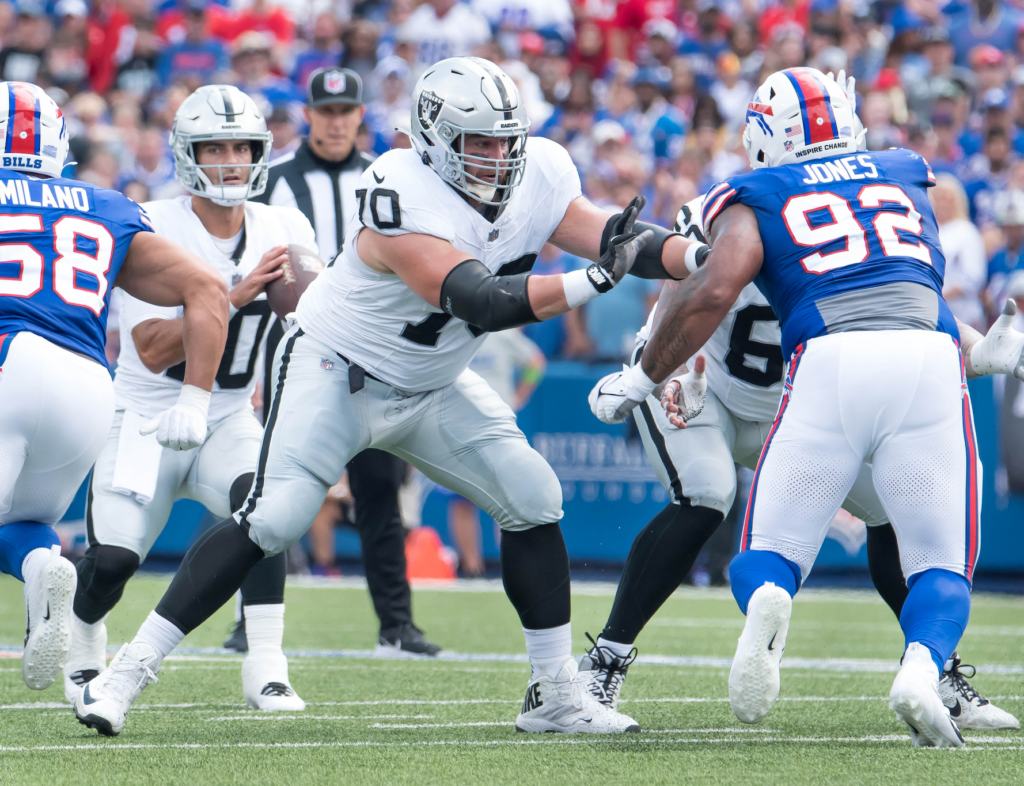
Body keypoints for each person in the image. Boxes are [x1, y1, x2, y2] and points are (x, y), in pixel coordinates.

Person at [71, 56, 708, 737]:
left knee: (534, 496)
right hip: (336, 369)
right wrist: (590, 282)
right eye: (479, 143)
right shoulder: (399, 187)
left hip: (432, 382)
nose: (497, 157)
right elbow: (481, 301)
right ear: (433, 139)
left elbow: (615, 238)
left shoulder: (541, 171)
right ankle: (128, 671)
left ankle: (553, 693)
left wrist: (697, 257)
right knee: (274, 516)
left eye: (505, 140)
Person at [590, 66, 1024, 747]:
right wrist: (659, 372)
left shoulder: (756, 197)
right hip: (711, 389)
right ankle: (604, 664)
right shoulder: (896, 175)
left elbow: (717, 288)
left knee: (850, 526)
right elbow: (903, 293)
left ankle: (938, 675)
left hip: (805, 392)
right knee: (706, 494)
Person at [65, 85, 310, 712]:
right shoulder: (151, 222)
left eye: (241, 147)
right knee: (114, 562)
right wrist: (231, 292)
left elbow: (317, 317)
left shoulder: (284, 224)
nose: (230, 160)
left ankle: (267, 663)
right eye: (215, 147)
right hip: (147, 416)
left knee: (267, 508)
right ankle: (86, 637)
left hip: (229, 414)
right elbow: (149, 346)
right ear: (186, 153)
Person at [0, 81, 229, 694]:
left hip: (8, 364)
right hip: (86, 388)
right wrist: (195, 399)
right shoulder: (102, 204)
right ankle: (43, 567)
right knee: (22, 525)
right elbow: (207, 288)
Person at [252, 67, 441, 657]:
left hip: (375, 351)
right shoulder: (274, 180)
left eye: (346, 112)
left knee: (379, 489)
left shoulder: (385, 176)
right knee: (271, 486)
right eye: (325, 111)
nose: (336, 122)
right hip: (293, 348)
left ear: (360, 115)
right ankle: (249, 619)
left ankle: (397, 624)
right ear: (309, 115)